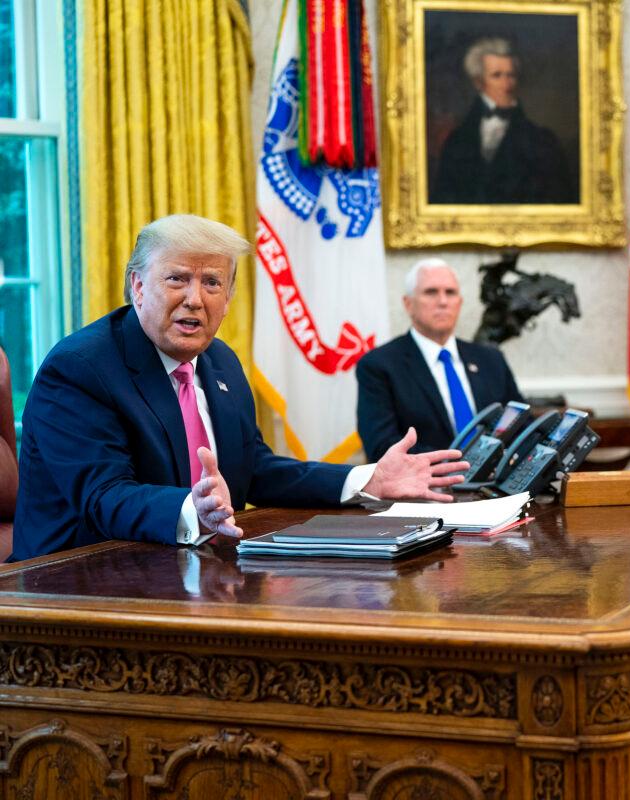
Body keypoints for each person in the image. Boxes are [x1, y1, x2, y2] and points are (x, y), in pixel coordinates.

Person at [12, 215, 468, 562]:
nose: (195, 298)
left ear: (227, 299)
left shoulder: (219, 361)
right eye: (177, 279)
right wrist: (192, 509)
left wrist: (366, 479)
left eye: (212, 282)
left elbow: (256, 469)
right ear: (137, 286)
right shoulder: (80, 368)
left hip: (187, 566)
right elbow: (103, 497)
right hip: (74, 580)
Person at [356, 258, 524, 460]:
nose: (443, 301)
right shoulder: (378, 365)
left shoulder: (490, 359)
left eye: (450, 293)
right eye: (431, 292)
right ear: (408, 304)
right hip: (425, 486)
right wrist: (458, 462)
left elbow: (520, 422)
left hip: (498, 484)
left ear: (459, 303)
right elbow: (381, 447)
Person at [429, 37, 574, 205]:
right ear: (478, 82)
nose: (507, 84)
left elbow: (559, 202)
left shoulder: (542, 141)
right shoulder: (456, 141)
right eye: (497, 76)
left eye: (511, 75)